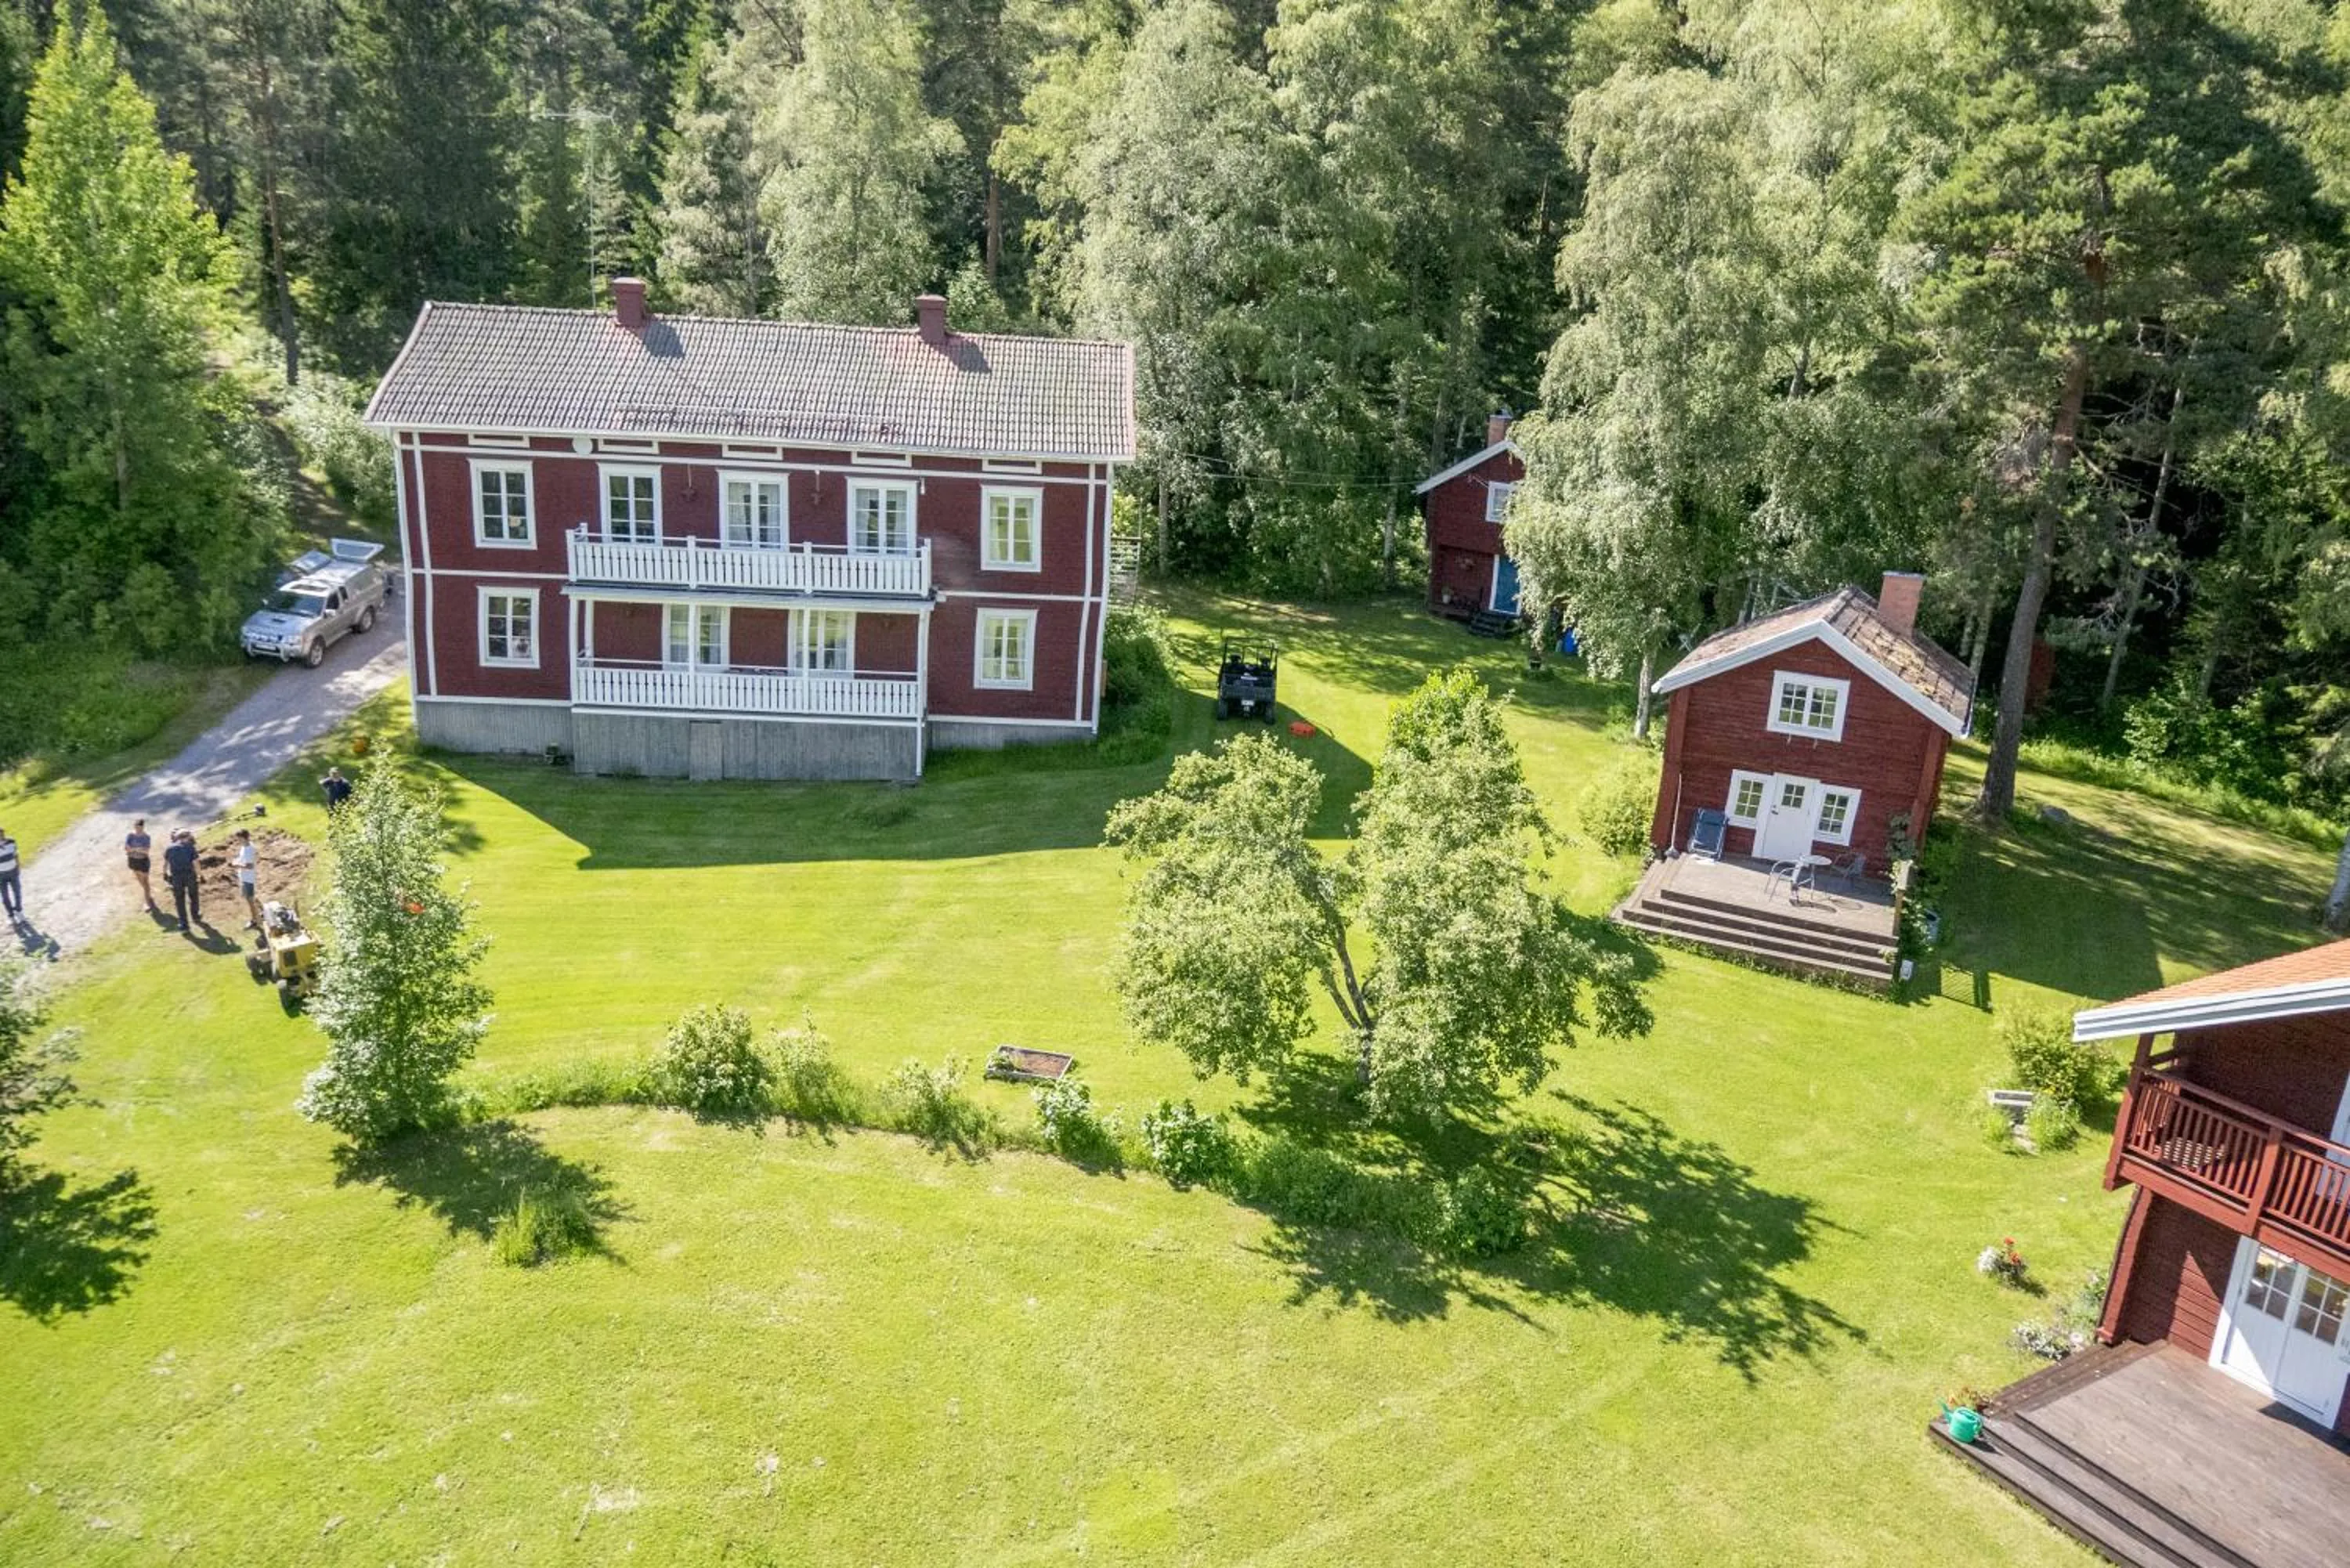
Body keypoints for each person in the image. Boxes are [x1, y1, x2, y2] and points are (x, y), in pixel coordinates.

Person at [163, 829, 202, 932]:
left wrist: (165, 874)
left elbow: (166, 864)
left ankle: (184, 924)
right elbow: (196, 863)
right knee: (193, 895)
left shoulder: (169, 848)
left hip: (176, 877)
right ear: (186, 837)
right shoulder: (190, 848)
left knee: (179, 900)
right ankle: (195, 915)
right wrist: (200, 875)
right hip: (189, 875)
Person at [233, 829, 262, 930]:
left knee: (250, 900)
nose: (237, 840)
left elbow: (250, 866)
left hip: (248, 879)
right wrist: (238, 861)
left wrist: (237, 864)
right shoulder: (244, 847)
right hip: (244, 877)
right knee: (251, 898)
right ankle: (260, 913)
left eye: (239, 838)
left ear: (244, 838)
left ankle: (255, 921)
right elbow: (243, 860)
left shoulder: (249, 849)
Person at [125, 818, 154, 910]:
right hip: (133, 860)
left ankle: (147, 902)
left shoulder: (146, 837)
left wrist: (134, 849)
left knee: (145, 882)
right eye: (136, 827)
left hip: (143, 861)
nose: (137, 829)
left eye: (139, 828)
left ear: (143, 827)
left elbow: (146, 851)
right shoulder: (130, 835)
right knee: (138, 877)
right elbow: (127, 848)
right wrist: (138, 849)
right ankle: (148, 893)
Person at [0, 826, 20, 924]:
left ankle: (19, 911)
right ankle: (11, 915)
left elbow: (16, 854)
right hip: (1, 875)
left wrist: (18, 866)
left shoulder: (11, 841)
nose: (1, 835)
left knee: (17, 892)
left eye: (2, 833)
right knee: (4, 897)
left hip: (13, 871)